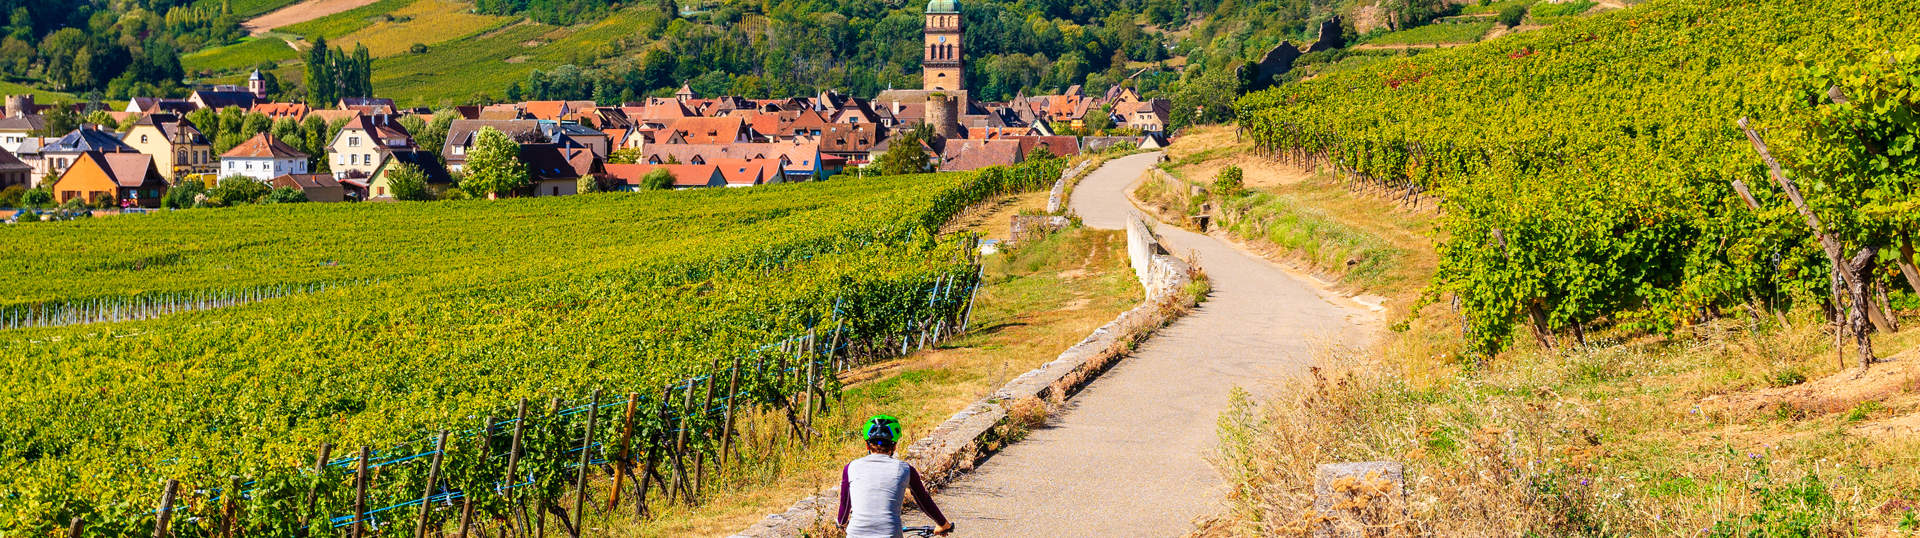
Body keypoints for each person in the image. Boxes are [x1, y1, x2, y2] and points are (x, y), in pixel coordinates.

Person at [837, 415, 955, 537]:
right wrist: (943, 524)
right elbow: (924, 501)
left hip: (856, 533)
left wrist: (841, 523)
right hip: (890, 533)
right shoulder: (905, 469)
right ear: (894, 446)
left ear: (867, 446)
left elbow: (845, 505)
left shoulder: (851, 467)